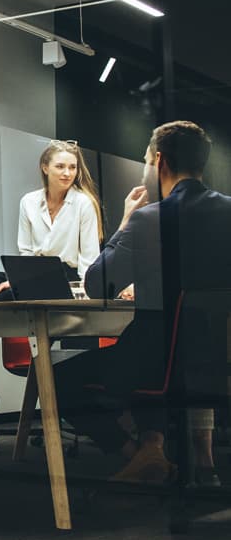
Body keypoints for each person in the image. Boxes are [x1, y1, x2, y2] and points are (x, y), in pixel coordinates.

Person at [52, 120, 231, 483]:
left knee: (57, 380)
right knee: (180, 352)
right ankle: (193, 460)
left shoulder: (150, 219)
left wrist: (125, 221)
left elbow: (98, 285)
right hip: (217, 355)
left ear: (159, 162)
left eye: (146, 160)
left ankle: (138, 455)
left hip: (160, 358)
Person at [0, 139, 103, 368]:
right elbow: (25, 250)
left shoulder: (83, 203)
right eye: (60, 166)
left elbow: (89, 257)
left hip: (67, 276)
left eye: (72, 167)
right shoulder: (29, 201)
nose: (67, 173)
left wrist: (86, 294)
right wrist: (15, 280)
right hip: (32, 272)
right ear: (45, 167)